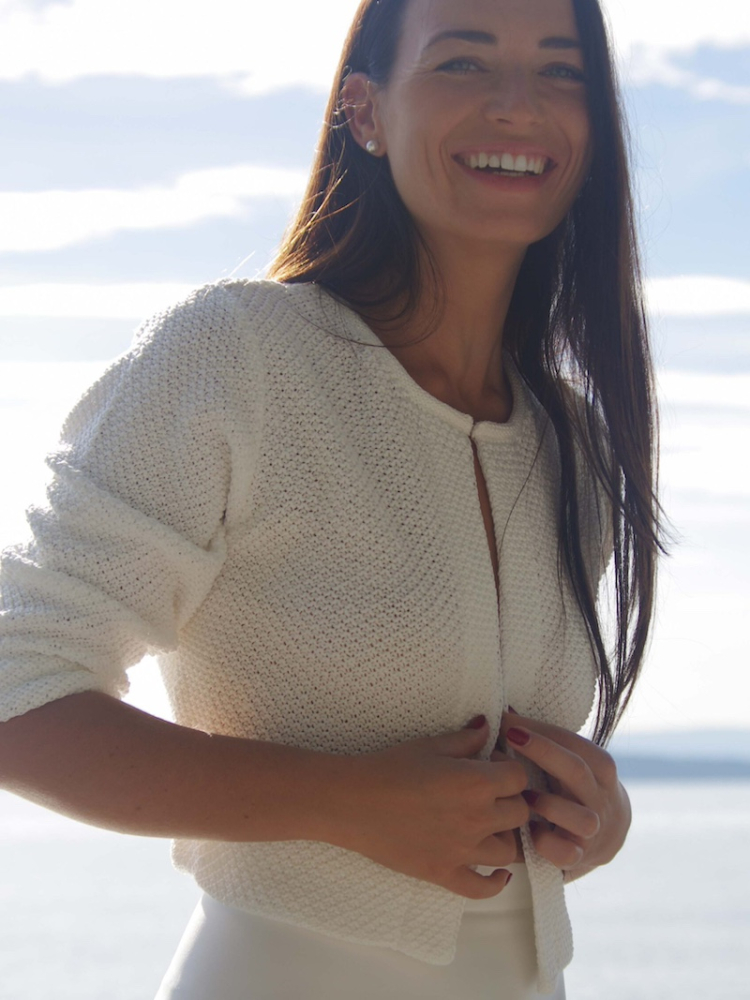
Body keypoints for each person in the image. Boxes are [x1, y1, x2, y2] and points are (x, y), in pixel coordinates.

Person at [0, 0, 663, 996]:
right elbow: (17, 684)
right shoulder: (238, 357)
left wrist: (595, 819)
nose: (517, 105)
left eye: (561, 71)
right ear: (365, 111)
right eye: (464, 62)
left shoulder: (571, 439)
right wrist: (342, 802)